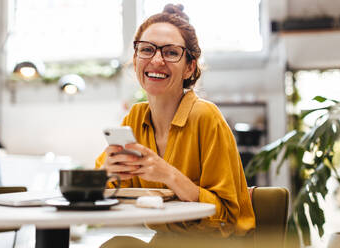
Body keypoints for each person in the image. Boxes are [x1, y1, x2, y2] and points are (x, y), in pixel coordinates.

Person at [95, 4, 255, 247]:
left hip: (218, 243)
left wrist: (169, 175)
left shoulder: (206, 116)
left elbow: (227, 218)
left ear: (190, 67)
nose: (156, 60)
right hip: (166, 242)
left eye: (171, 53)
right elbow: (111, 193)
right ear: (136, 59)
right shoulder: (134, 119)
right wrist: (108, 173)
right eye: (147, 50)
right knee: (116, 244)